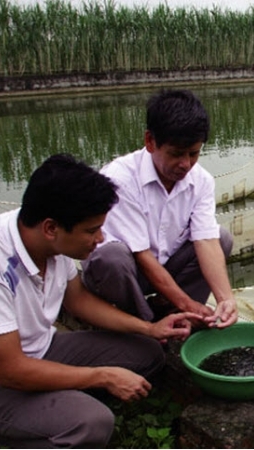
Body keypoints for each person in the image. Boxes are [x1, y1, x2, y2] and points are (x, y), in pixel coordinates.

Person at [0, 154, 201, 449]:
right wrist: (103, 376)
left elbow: (78, 300)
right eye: (91, 231)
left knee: (148, 353)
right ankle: (15, 438)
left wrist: (149, 329)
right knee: (91, 423)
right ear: (51, 228)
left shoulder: (43, 238)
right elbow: (11, 371)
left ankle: (26, 426)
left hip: (40, 349)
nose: (101, 238)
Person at [81, 89, 238, 328]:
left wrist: (225, 298)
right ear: (150, 142)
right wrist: (187, 303)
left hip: (164, 265)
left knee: (221, 238)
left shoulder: (201, 180)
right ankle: (143, 323)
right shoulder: (120, 178)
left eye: (194, 153)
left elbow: (206, 241)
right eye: (176, 154)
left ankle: (178, 314)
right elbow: (141, 256)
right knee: (110, 258)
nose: (185, 164)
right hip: (124, 273)